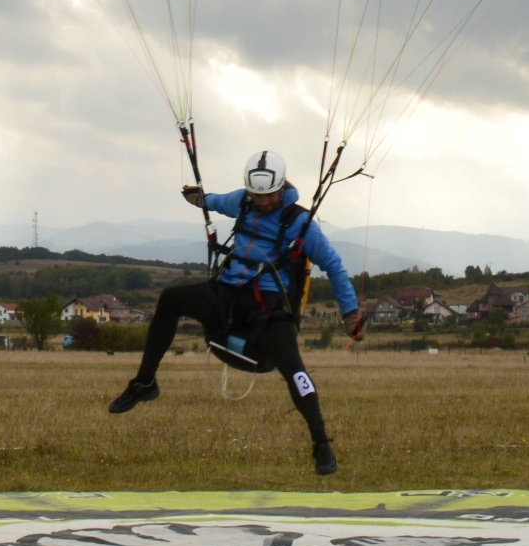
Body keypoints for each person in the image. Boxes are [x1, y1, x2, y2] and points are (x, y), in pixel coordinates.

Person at [107, 148, 364, 475]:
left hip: (267, 306)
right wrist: (199, 199)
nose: (264, 201)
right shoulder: (244, 201)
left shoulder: (301, 222)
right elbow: (216, 201)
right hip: (226, 293)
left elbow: (335, 266)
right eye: (257, 194)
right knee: (172, 298)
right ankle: (144, 384)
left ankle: (322, 444)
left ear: (282, 186)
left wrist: (350, 313)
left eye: (270, 194)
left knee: (294, 369)